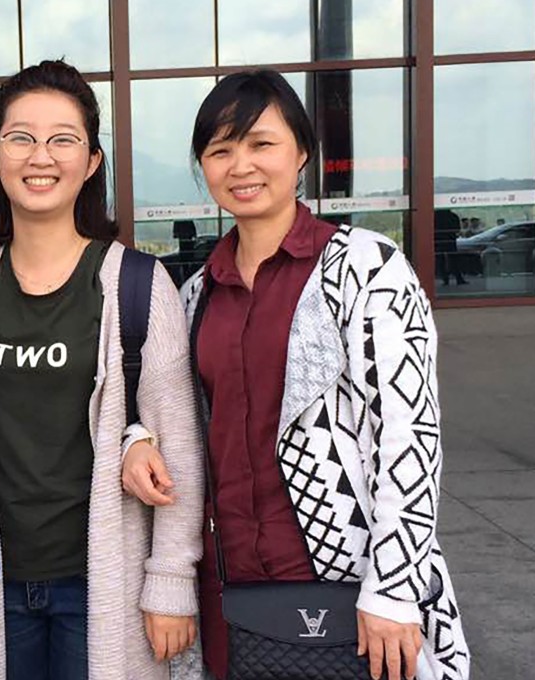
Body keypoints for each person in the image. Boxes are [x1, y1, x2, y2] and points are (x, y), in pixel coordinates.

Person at [127, 70, 471, 680]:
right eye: (220, 150)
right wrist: (139, 439)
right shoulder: (195, 294)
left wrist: (393, 589)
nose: (241, 166)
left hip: (350, 585)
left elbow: (410, 435)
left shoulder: (366, 269)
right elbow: (169, 411)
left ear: (302, 153)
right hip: (231, 584)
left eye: (261, 143)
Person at [0, 60, 204, 680]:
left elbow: (177, 442)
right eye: (21, 137)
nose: (40, 156)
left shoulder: (137, 285)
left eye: (63, 139)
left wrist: (171, 580)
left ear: (92, 161)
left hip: (103, 583)